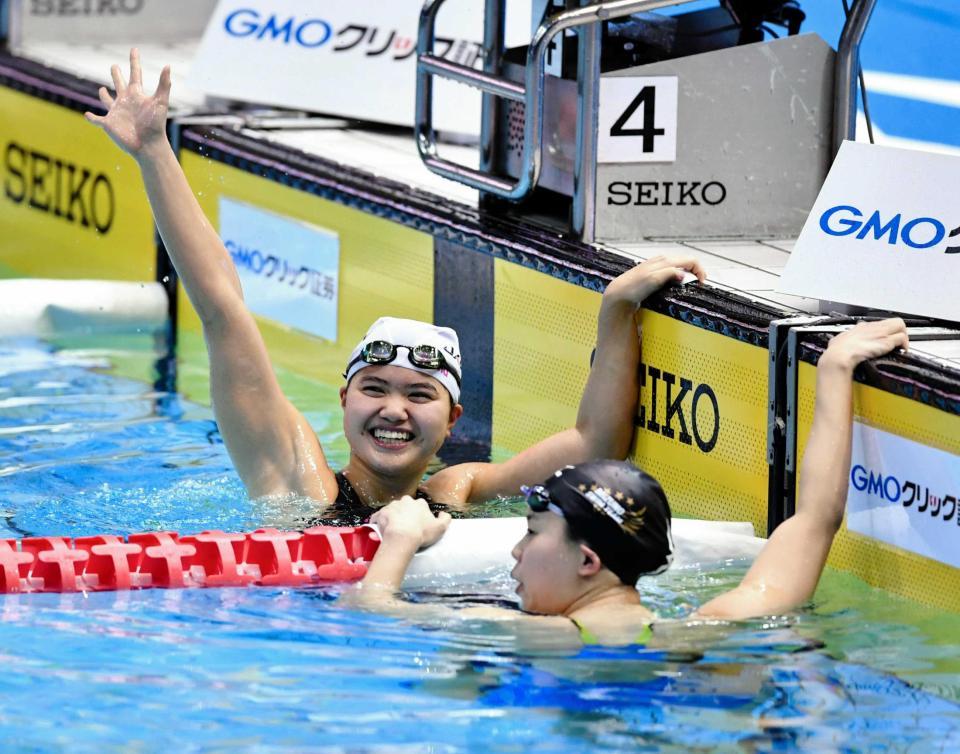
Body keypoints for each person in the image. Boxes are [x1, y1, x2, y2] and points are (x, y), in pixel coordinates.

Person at [84, 49, 706, 523]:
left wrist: (615, 310)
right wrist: (154, 153)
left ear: (454, 419)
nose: (392, 410)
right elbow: (222, 310)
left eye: (419, 395)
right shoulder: (297, 477)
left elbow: (594, 446)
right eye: (375, 389)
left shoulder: (458, 490)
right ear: (344, 400)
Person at [353, 319, 910, 645]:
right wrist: (836, 369)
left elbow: (375, 609)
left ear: (588, 561)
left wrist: (400, 539)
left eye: (532, 534)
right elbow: (814, 519)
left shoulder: (550, 638)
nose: (516, 553)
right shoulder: (707, 625)